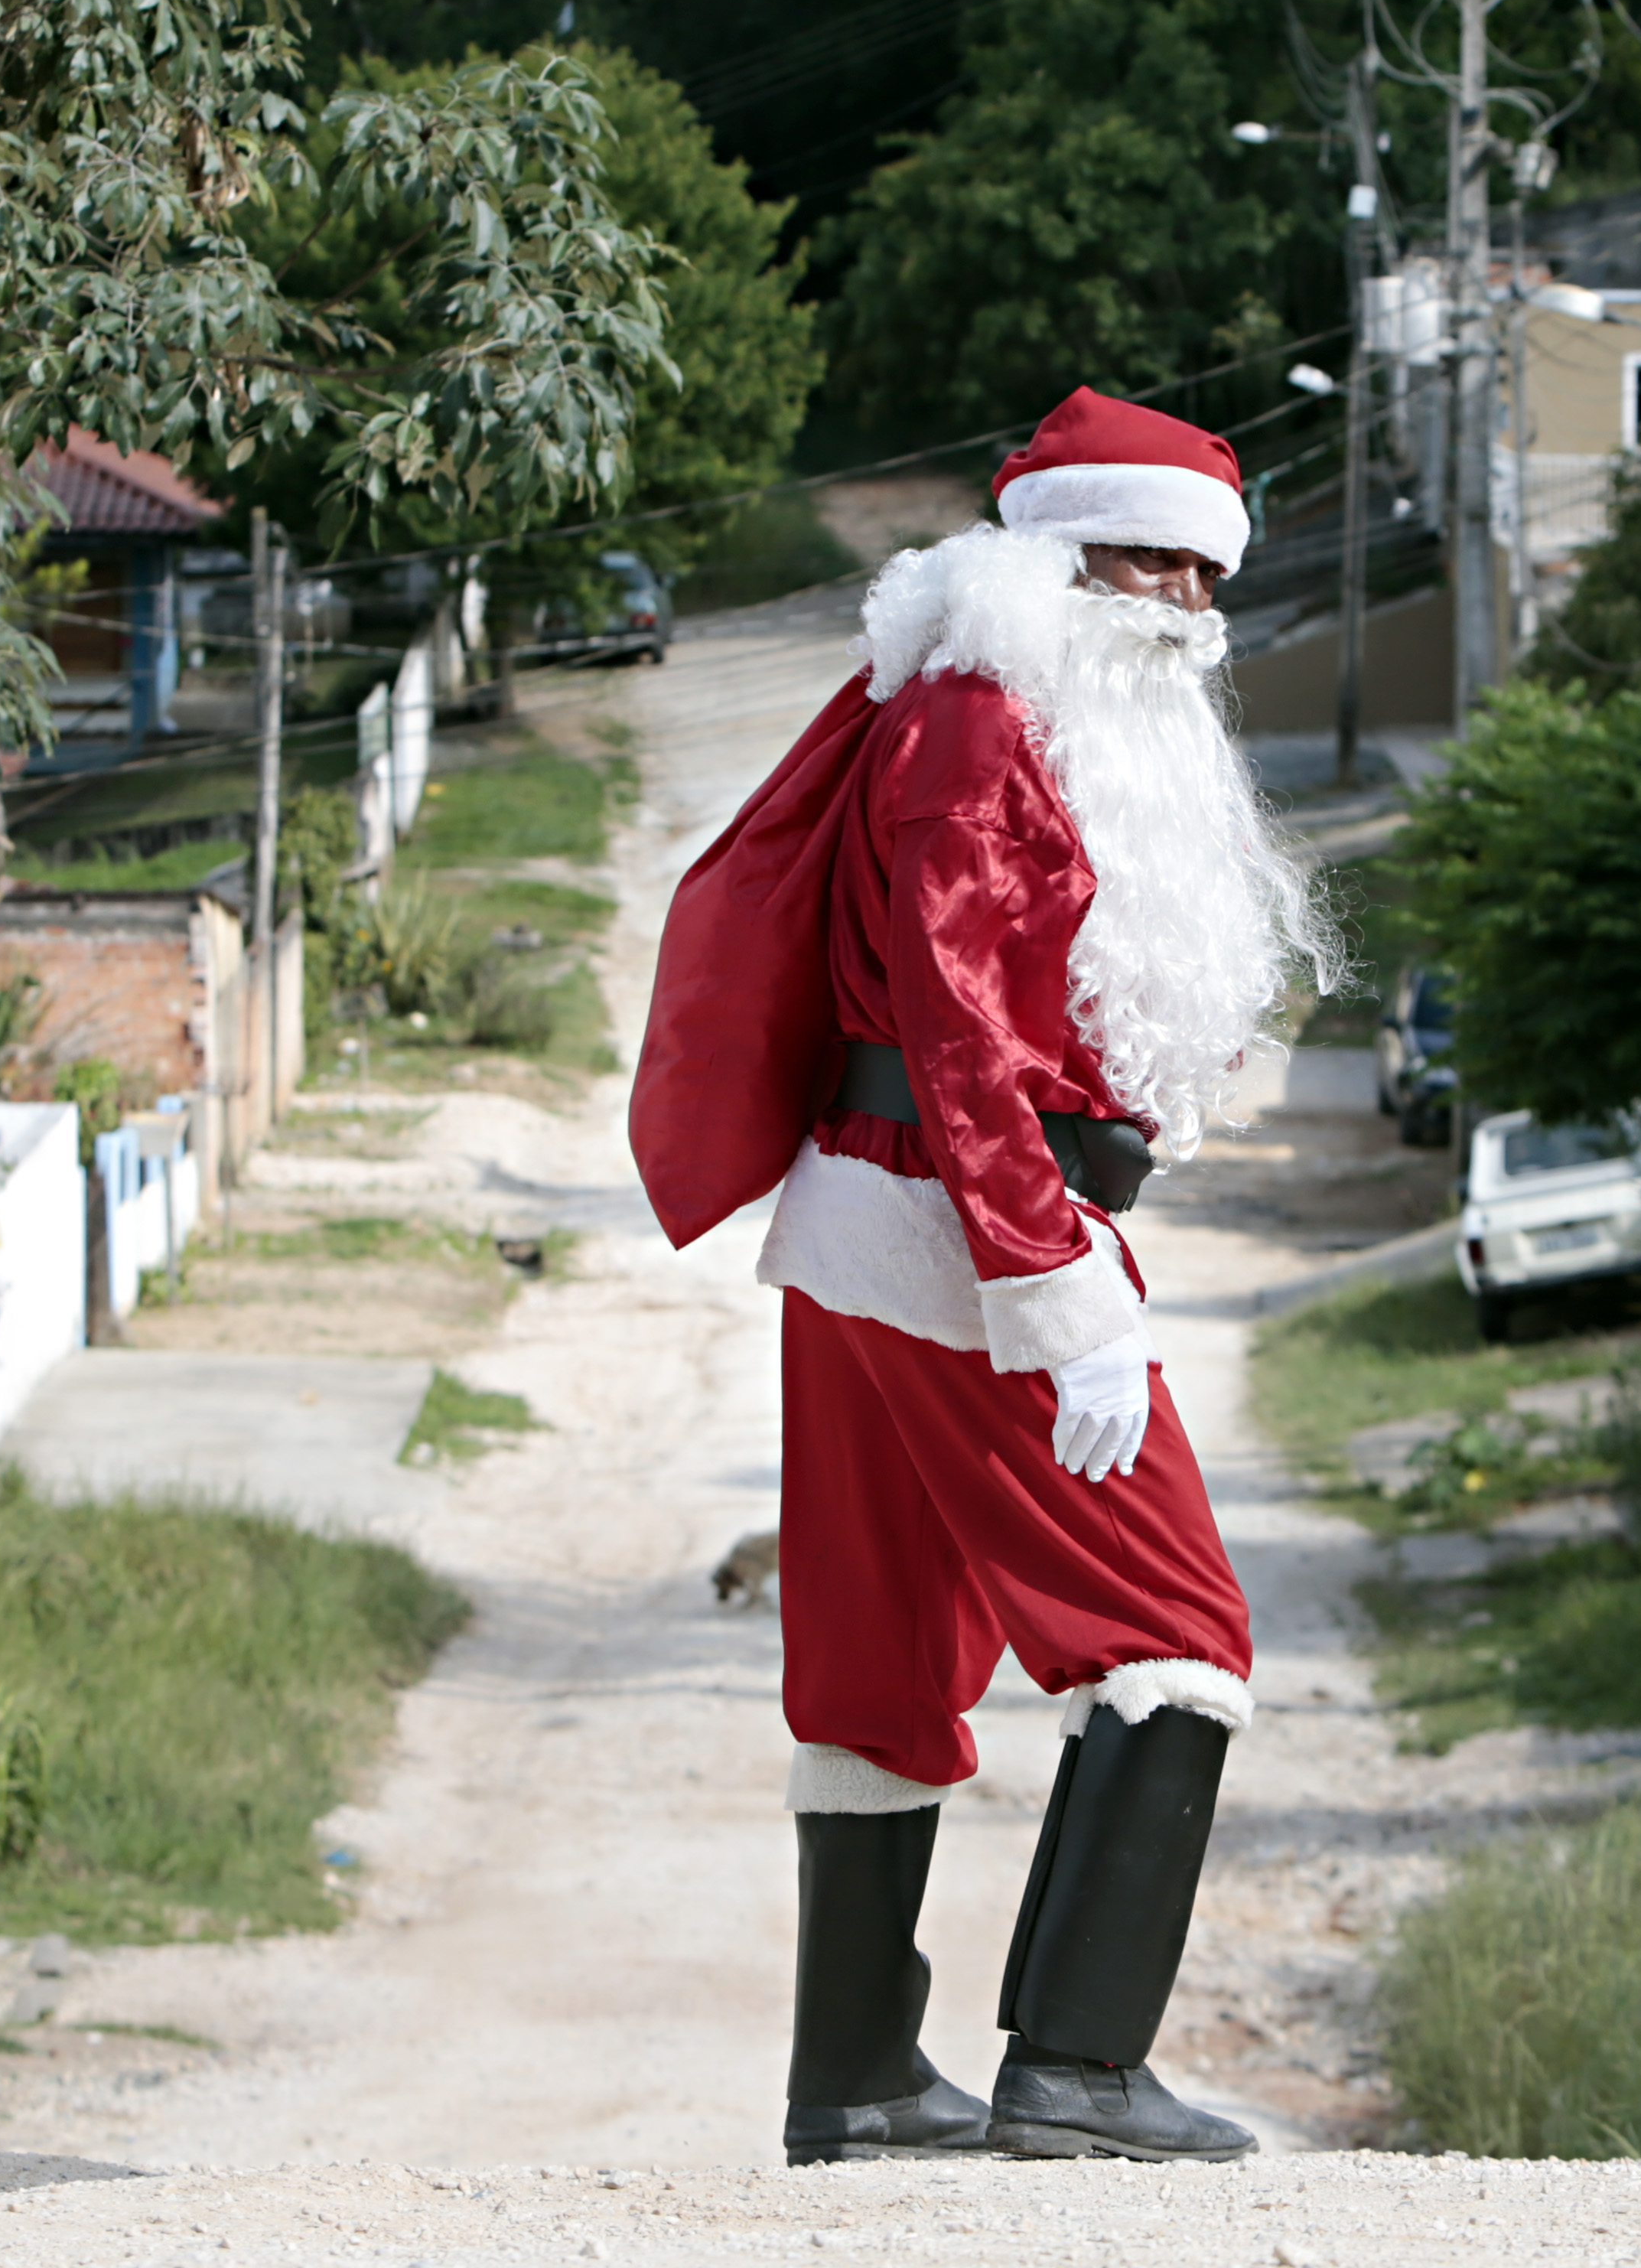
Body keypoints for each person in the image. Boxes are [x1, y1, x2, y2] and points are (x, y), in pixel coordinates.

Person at [632, 386, 1337, 2165]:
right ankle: (1080, 2067)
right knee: (1176, 1630)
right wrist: (1061, 1295)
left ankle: (858, 2080)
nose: (1177, 605)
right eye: (1140, 560)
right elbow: (959, 1038)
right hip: (959, 1232)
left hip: (881, 1228)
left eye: (1200, 574)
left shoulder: (996, 711)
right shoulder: (978, 721)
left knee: (883, 1661)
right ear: (1043, 556)